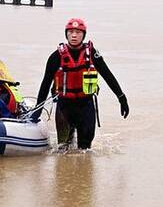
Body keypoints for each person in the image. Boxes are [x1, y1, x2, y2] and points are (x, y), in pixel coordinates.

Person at [31, 18, 129, 150]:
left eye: (78, 32)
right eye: (71, 32)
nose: (74, 35)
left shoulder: (93, 54)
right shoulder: (56, 57)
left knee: (85, 151)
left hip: (86, 107)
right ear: (66, 34)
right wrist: (37, 110)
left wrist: (121, 98)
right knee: (63, 150)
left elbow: (108, 76)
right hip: (64, 108)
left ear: (84, 35)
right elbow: (45, 84)